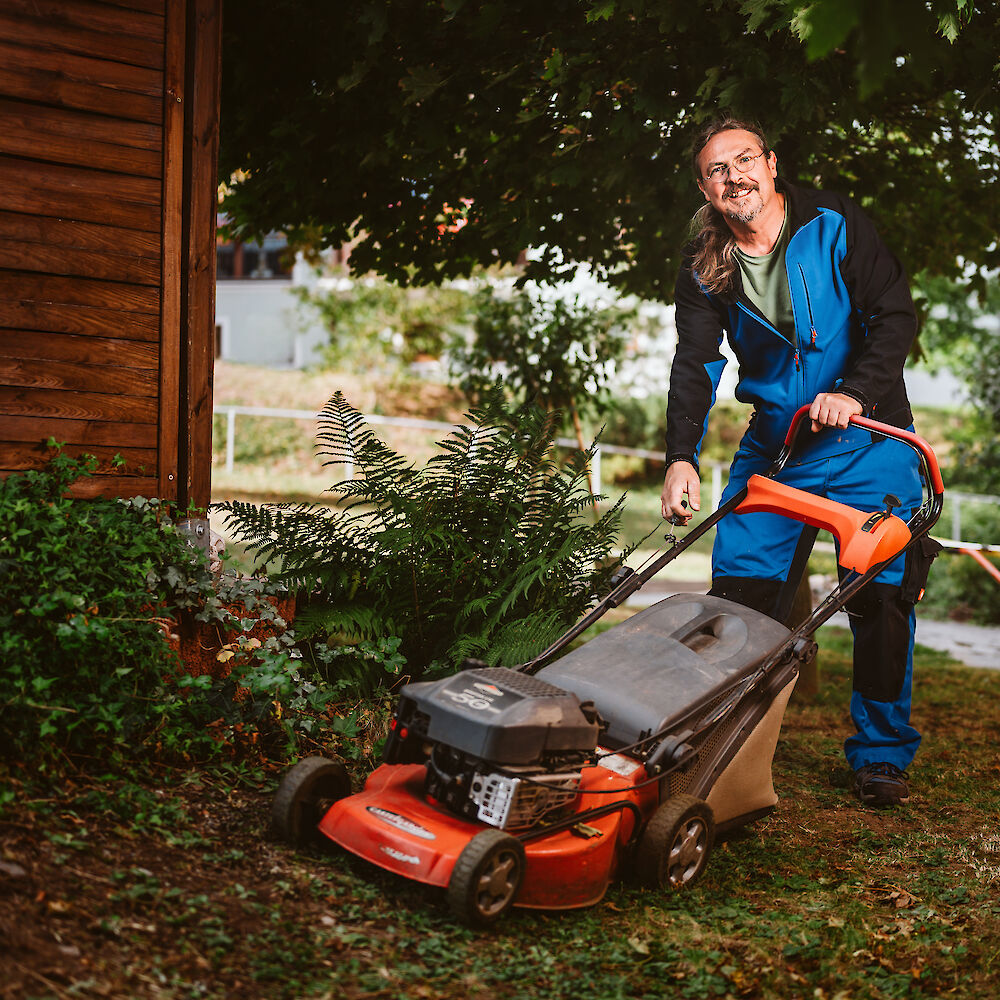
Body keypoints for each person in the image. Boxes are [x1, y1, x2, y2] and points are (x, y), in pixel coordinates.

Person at [661, 117, 939, 808]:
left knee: (881, 597)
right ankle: (719, 740)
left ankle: (880, 755)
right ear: (705, 188)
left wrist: (853, 392)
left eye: (744, 159)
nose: (734, 176)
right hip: (777, 449)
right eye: (717, 170)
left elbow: (895, 315)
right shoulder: (703, 268)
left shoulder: (834, 222)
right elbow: (694, 365)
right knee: (739, 602)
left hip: (868, 440)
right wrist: (679, 457)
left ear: (772, 163)